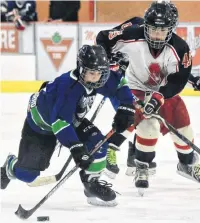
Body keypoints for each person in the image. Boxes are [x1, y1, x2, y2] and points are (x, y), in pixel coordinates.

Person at [96, 1, 200, 194]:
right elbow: (103, 38)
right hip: (136, 89)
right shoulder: (131, 34)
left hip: (164, 90)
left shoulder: (180, 48)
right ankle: (141, 165)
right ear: (145, 26)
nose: (156, 35)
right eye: (152, 30)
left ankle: (187, 164)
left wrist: (162, 95)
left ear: (171, 29)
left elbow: (178, 80)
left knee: (182, 122)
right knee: (148, 126)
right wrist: (108, 57)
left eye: (162, 30)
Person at [0, 45, 135, 207]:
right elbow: (60, 122)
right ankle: (10, 165)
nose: (96, 78)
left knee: (99, 145)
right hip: (42, 124)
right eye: (92, 73)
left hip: (70, 120)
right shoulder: (69, 88)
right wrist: (76, 147)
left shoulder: (97, 76)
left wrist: (126, 107)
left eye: (100, 73)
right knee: (27, 175)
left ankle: (91, 184)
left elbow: (119, 82)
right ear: (81, 69)